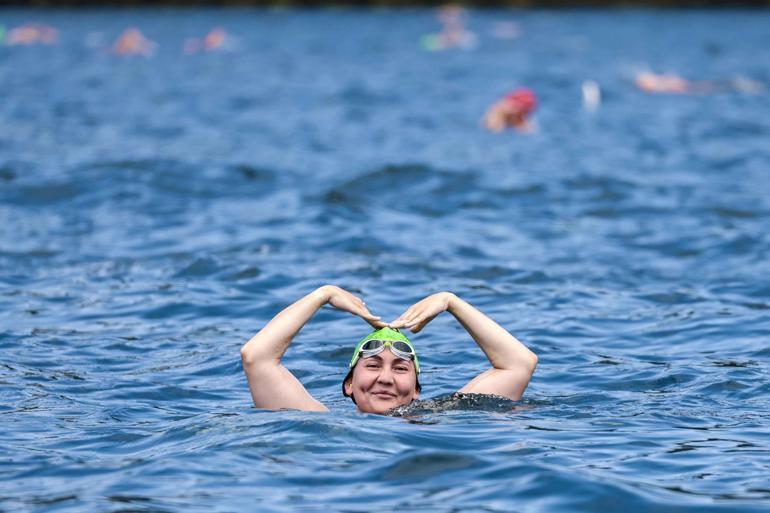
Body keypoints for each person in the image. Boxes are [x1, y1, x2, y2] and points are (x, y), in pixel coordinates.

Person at [240, 285, 538, 414]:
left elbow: (519, 363)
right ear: (348, 385)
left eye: (400, 368)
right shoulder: (320, 419)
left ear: (416, 389)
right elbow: (256, 357)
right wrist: (323, 295)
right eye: (372, 365)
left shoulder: (444, 414)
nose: (385, 377)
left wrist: (451, 302)